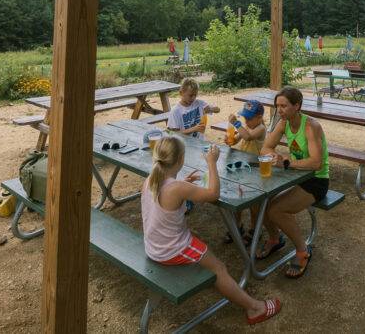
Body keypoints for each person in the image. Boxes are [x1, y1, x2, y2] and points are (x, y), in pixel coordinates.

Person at [141, 136, 281, 325]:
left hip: (152, 245)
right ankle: (254, 308)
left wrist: (184, 182)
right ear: (181, 159)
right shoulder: (178, 188)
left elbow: (172, 192)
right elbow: (213, 193)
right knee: (219, 269)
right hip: (169, 250)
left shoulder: (151, 179)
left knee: (205, 254)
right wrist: (212, 162)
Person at [257, 86, 329, 279]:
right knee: (260, 201)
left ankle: (303, 250)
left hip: (317, 180)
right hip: (295, 176)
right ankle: (274, 239)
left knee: (275, 210)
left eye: (284, 106)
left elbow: (316, 162)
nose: (279, 110)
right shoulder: (284, 123)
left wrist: (287, 162)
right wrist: (275, 156)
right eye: (277, 105)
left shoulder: (310, 126)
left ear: (297, 106)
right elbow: (265, 147)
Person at [222, 100, 267, 243]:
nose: (246, 121)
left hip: (255, 169)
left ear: (259, 117)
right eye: (244, 118)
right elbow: (237, 139)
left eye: (249, 118)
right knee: (238, 197)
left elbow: (248, 136)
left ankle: (255, 229)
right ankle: (237, 226)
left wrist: (237, 123)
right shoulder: (247, 126)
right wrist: (230, 139)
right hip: (242, 167)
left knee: (254, 203)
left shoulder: (260, 128)